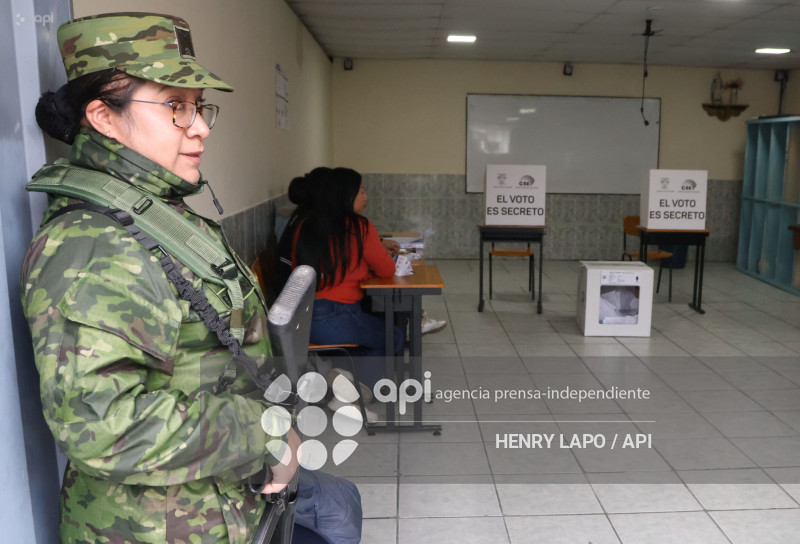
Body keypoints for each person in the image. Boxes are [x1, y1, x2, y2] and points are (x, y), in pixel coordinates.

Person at [20, 12, 340, 544]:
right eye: (175, 107)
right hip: (155, 527)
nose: (201, 126)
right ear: (102, 116)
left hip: (214, 507)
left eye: (197, 106)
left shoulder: (152, 213)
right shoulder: (93, 244)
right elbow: (104, 425)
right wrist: (266, 433)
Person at [287, 168, 404, 395]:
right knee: (393, 336)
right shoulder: (360, 226)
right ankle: (358, 394)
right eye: (361, 191)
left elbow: (299, 271)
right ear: (346, 195)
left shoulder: (306, 225)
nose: (365, 196)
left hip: (302, 318)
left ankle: (341, 376)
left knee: (368, 338)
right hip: (337, 316)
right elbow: (387, 269)